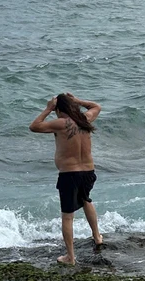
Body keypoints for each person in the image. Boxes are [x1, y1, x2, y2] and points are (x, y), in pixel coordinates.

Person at [29, 92, 103, 264]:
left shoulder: (61, 123)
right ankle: (97, 237)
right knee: (86, 200)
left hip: (70, 174)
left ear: (58, 109)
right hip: (88, 171)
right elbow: (97, 107)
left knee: (68, 216)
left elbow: (34, 126)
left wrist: (47, 109)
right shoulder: (85, 119)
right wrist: (77, 100)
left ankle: (70, 257)